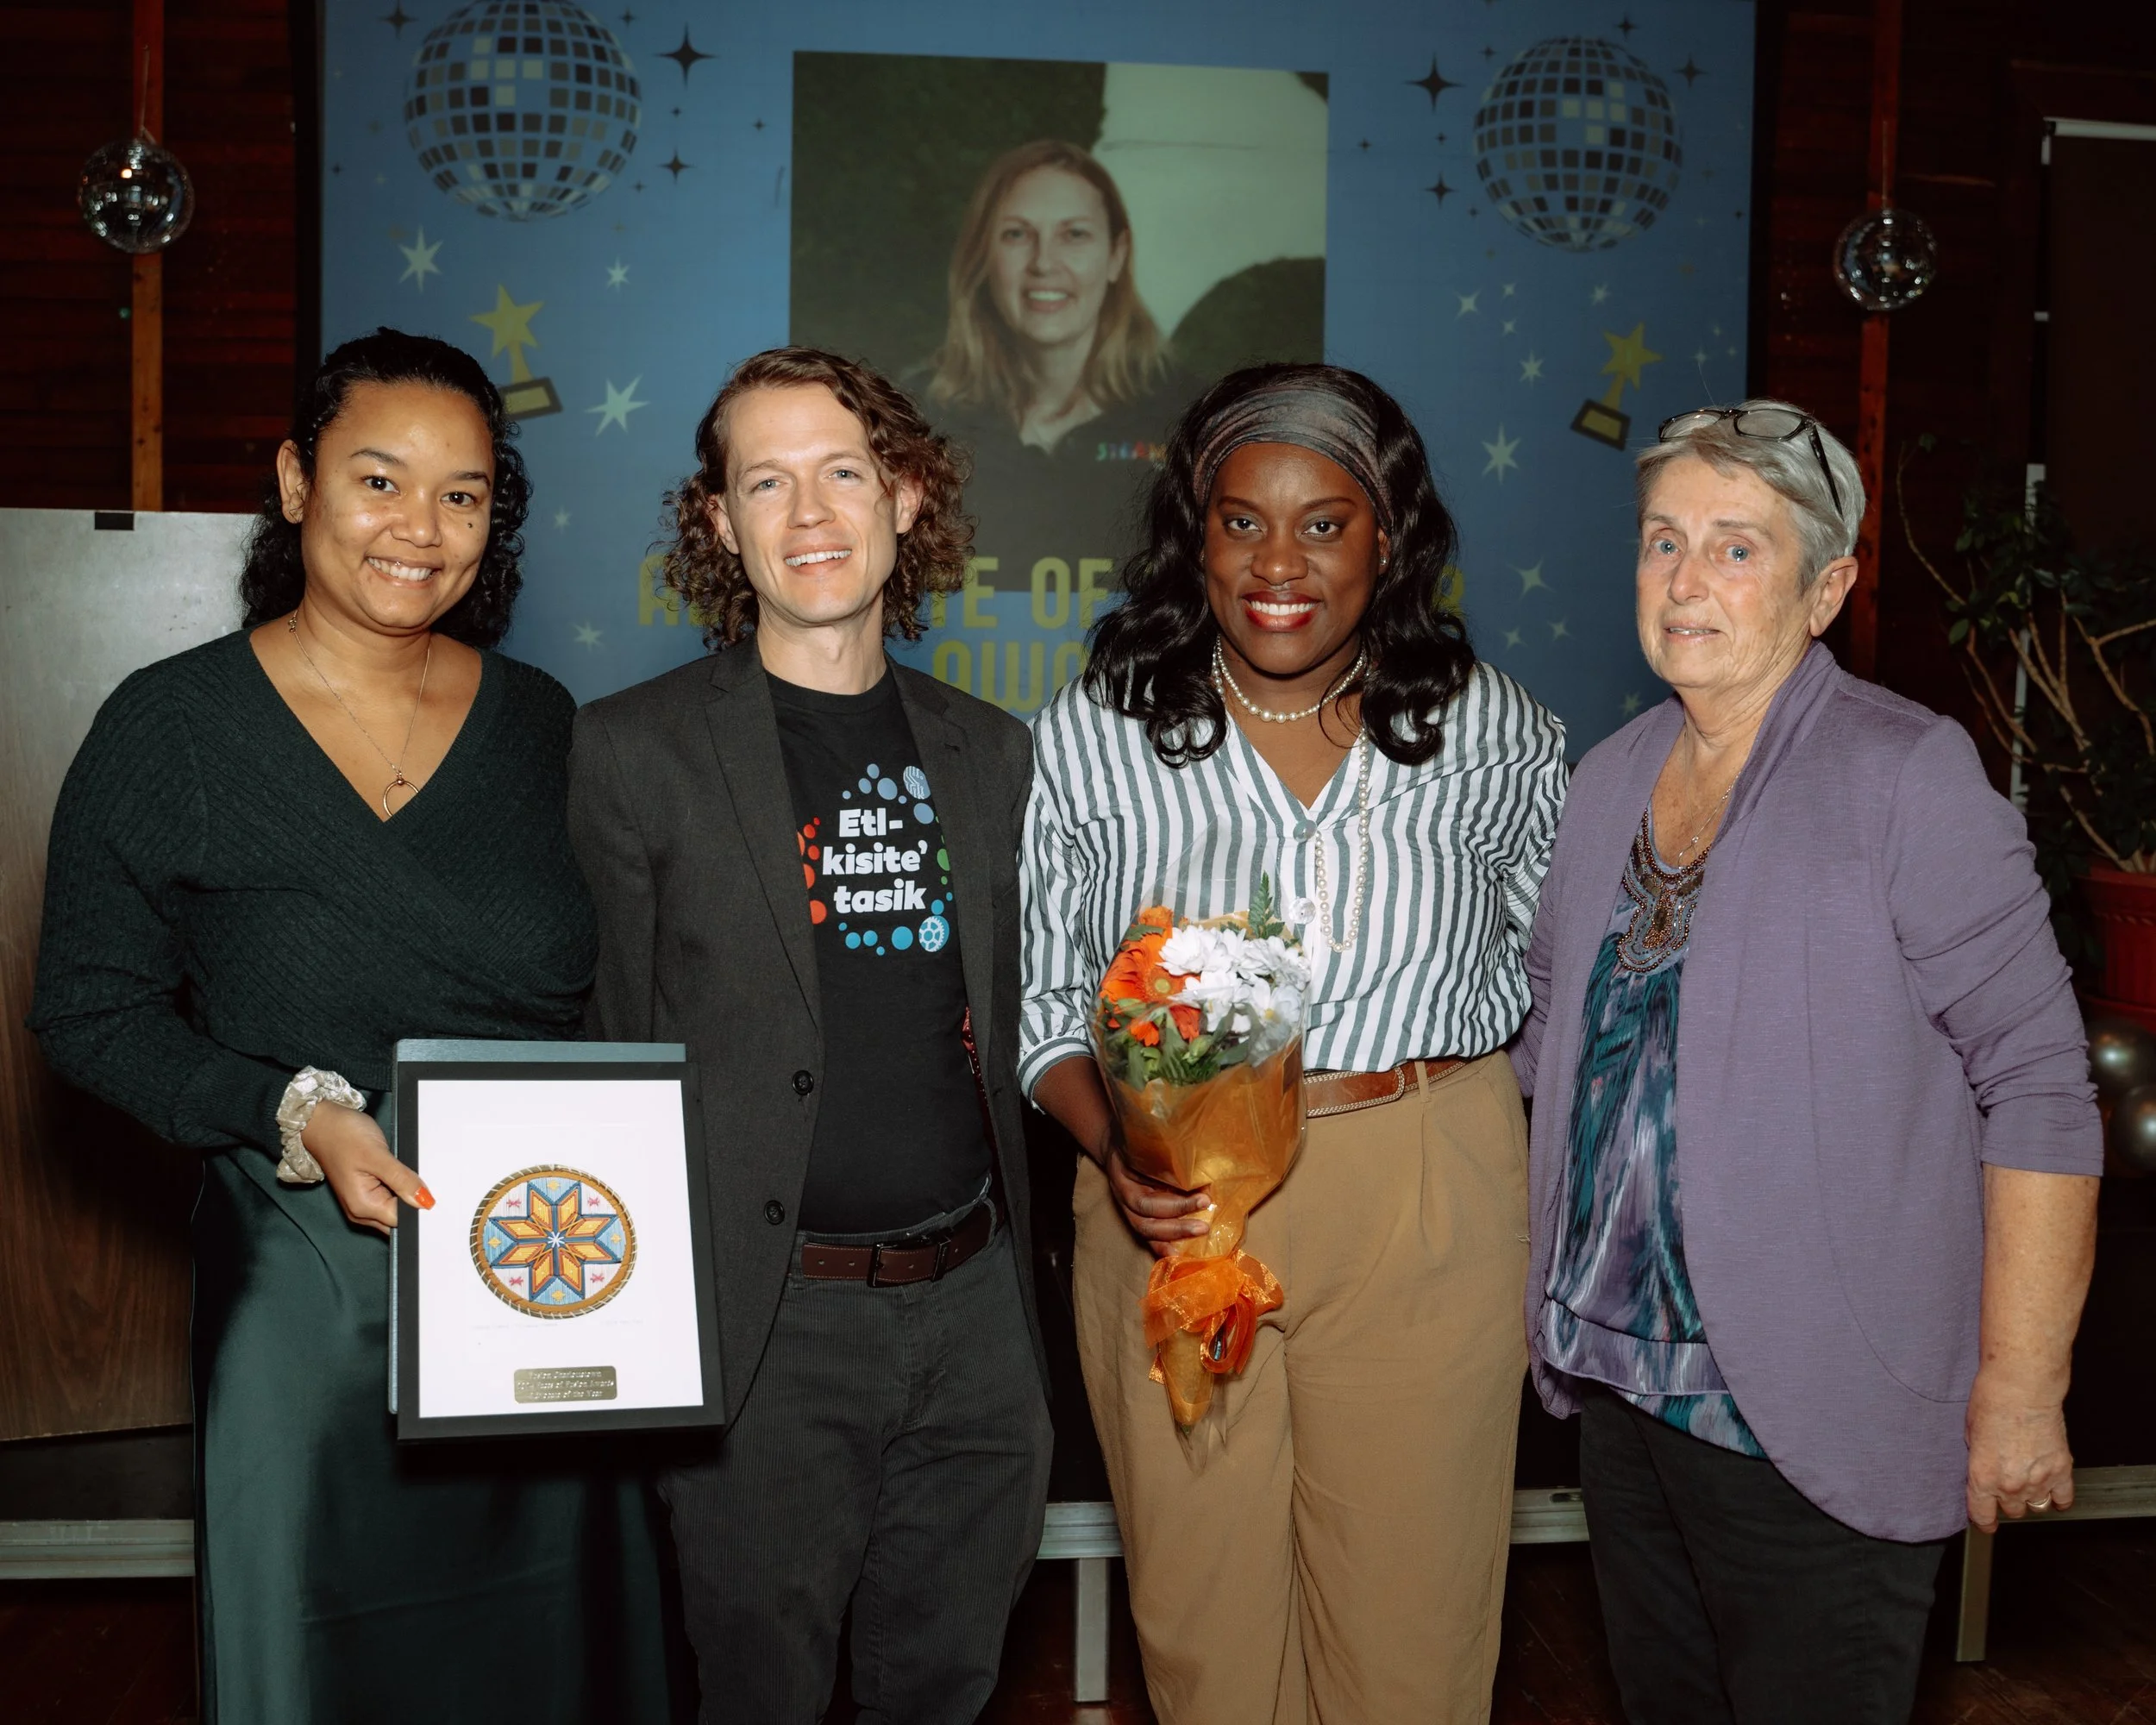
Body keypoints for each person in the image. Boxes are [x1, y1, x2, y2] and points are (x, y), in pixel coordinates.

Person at [28, 329, 675, 1723]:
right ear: (295, 482)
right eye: (379, 479)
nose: (419, 528)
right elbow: (87, 1010)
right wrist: (290, 1111)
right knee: (328, 1656)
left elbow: (625, 987)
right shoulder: (171, 728)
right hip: (305, 1273)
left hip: (544, 1266)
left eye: (461, 493)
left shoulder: (544, 727)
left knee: (554, 1660)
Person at [1513, 400, 2103, 1724]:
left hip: (1810, 1416)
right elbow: (1549, 1052)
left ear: (1825, 587)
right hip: (1621, 1403)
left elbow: (2042, 1091)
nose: (1687, 580)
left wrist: (2022, 1390)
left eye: (1737, 548)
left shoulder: (1908, 776)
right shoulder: (1605, 779)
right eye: (1665, 542)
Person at [1021, 362, 1568, 1723]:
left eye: (1326, 523)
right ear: (1189, 533)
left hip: (1427, 1187)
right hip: (1174, 1216)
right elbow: (1043, 1012)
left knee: (1414, 1631)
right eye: (1240, 519)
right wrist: (1116, 1150)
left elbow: (1565, 989)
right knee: (1204, 1629)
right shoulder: (1099, 732)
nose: (1281, 563)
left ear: (1392, 539)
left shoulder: (1498, 733)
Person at [568, 347, 1051, 1723]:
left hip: (978, 1319)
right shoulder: (632, 753)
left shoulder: (996, 752)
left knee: (945, 1686)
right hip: (764, 1329)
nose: (811, 512)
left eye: (843, 471)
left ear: (904, 497)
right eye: (764, 481)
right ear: (718, 523)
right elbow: (609, 1054)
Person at [927, 138, 1197, 595]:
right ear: (983, 257)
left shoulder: (1189, 416)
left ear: (1116, 255)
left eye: (1074, 235)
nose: (1044, 263)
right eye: (1017, 234)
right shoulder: (920, 417)